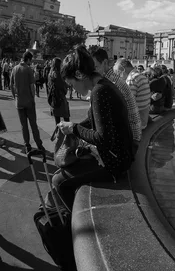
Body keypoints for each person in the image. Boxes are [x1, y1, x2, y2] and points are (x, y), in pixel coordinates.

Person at [53, 46, 134, 210]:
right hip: (121, 155)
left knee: (59, 181)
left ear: (79, 75)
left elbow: (103, 138)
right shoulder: (104, 86)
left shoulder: (99, 92)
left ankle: (71, 227)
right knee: (66, 168)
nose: (72, 89)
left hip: (115, 162)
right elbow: (93, 120)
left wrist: (74, 128)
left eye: (71, 84)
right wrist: (72, 127)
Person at [91, 49, 142, 155]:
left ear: (105, 63)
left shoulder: (110, 83)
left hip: (130, 139)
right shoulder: (111, 80)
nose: (92, 72)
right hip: (133, 132)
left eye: (95, 67)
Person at [10, 51, 44, 153]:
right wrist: (33, 99)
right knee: (33, 125)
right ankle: (39, 145)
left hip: (19, 101)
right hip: (28, 101)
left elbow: (12, 85)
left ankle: (27, 145)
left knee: (23, 125)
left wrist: (14, 97)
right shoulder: (28, 70)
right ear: (28, 59)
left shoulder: (14, 69)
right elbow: (32, 87)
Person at [114, 59, 151, 130]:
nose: (118, 76)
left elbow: (126, 103)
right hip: (143, 119)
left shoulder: (131, 79)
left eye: (118, 73)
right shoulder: (141, 76)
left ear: (122, 69)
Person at [47, 57, 70, 125]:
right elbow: (62, 86)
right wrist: (66, 87)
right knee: (66, 119)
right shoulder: (57, 74)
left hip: (53, 99)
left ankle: (58, 134)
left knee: (57, 121)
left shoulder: (50, 74)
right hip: (60, 98)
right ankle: (66, 135)